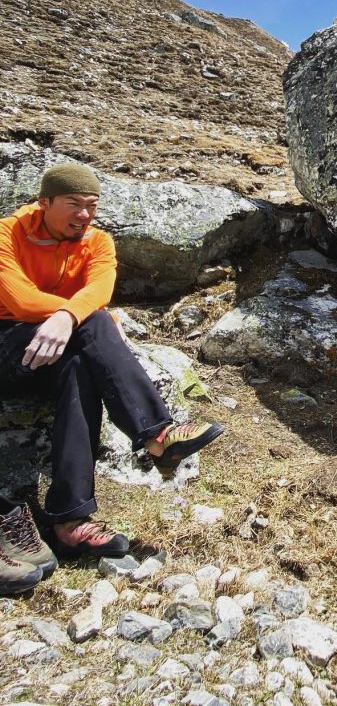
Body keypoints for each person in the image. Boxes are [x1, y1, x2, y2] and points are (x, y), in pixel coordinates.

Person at [0, 163, 224, 594]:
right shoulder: (7, 234)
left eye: (91, 206)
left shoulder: (98, 241)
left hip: (56, 347)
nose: (84, 216)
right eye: (73, 205)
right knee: (97, 322)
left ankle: (70, 519)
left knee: (81, 364)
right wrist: (70, 313)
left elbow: (100, 288)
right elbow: (17, 298)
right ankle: (158, 434)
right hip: (7, 345)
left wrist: (71, 316)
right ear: (44, 202)